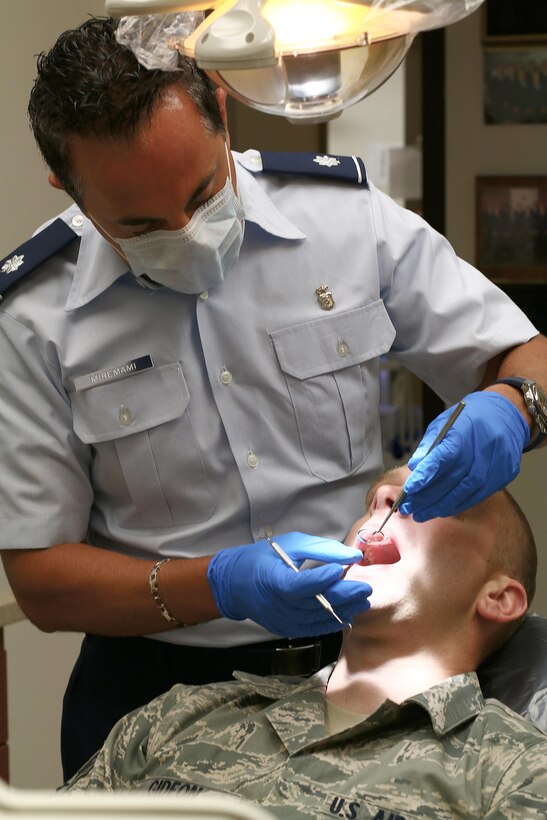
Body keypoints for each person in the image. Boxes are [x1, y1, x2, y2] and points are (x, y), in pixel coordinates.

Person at [0, 15, 546, 780]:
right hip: (155, 680)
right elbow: (43, 580)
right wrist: (221, 583)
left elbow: (526, 354)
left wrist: (513, 404)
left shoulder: (345, 219)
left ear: (219, 109)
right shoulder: (33, 317)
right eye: (142, 224)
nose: (187, 232)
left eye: (200, 192)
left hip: (355, 662)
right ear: (70, 188)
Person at [62, 466, 547, 817]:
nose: (382, 498)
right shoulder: (176, 718)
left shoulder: (514, 772)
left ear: (500, 598)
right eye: (377, 498)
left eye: (439, 495)